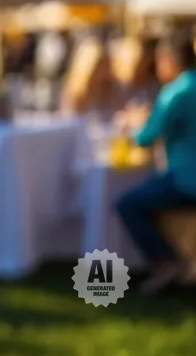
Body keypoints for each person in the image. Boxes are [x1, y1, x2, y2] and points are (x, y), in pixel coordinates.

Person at [116, 35, 196, 294]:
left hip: (187, 180)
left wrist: (130, 124)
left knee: (127, 204)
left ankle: (165, 264)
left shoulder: (176, 91)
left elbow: (145, 137)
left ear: (168, 60)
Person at [60, 37, 118, 120]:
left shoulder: (111, 88)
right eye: (98, 66)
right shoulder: (76, 94)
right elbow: (70, 122)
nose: (102, 72)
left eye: (105, 65)